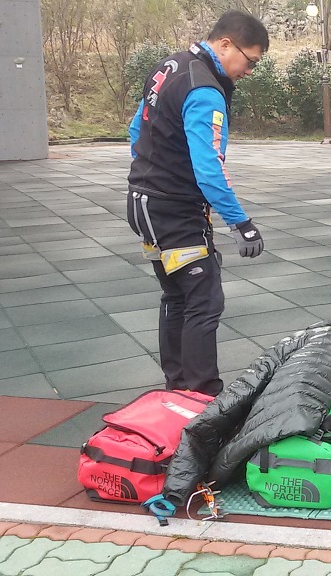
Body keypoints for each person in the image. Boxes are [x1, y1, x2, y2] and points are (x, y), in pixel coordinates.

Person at [125, 11, 268, 396]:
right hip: (173, 211)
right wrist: (241, 224)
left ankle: (177, 389)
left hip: (143, 205)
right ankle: (203, 398)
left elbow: (136, 129)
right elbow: (209, 168)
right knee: (204, 301)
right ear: (225, 44)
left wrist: (149, 174)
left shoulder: (170, 66)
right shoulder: (205, 90)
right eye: (250, 61)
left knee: (177, 296)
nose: (249, 71)